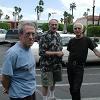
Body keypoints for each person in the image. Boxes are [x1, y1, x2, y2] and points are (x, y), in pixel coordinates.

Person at [1, 22, 37, 100]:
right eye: (28, 34)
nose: (31, 37)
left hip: (31, 92)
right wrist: (7, 88)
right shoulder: (13, 53)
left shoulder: (28, 48)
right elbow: (5, 78)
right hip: (19, 96)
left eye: (33, 34)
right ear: (20, 35)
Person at [67, 22, 100, 100]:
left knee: (76, 88)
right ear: (73, 30)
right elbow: (70, 53)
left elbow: (95, 50)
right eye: (75, 28)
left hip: (79, 67)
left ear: (82, 30)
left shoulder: (87, 40)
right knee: (72, 88)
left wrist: (98, 54)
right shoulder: (71, 41)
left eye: (79, 28)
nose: (77, 30)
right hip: (70, 67)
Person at [39, 19, 64, 100]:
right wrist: (56, 53)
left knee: (53, 82)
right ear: (48, 25)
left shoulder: (58, 35)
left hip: (56, 65)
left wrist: (60, 53)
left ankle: (52, 96)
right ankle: (45, 98)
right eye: (52, 25)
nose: (54, 26)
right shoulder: (44, 36)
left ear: (58, 25)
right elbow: (42, 52)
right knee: (46, 84)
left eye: (55, 25)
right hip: (47, 65)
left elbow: (60, 48)